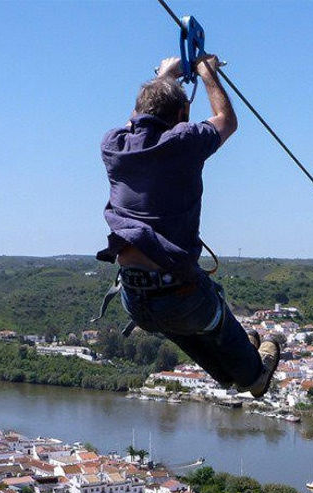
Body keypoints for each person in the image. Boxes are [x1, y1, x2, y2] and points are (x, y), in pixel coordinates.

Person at [96, 54, 280, 398]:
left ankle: (231, 373)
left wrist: (163, 78)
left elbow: (137, 120)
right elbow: (226, 120)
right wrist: (207, 75)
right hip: (179, 295)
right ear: (182, 116)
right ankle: (253, 374)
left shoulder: (113, 146)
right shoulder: (183, 142)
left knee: (183, 325)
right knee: (214, 317)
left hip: (134, 300)